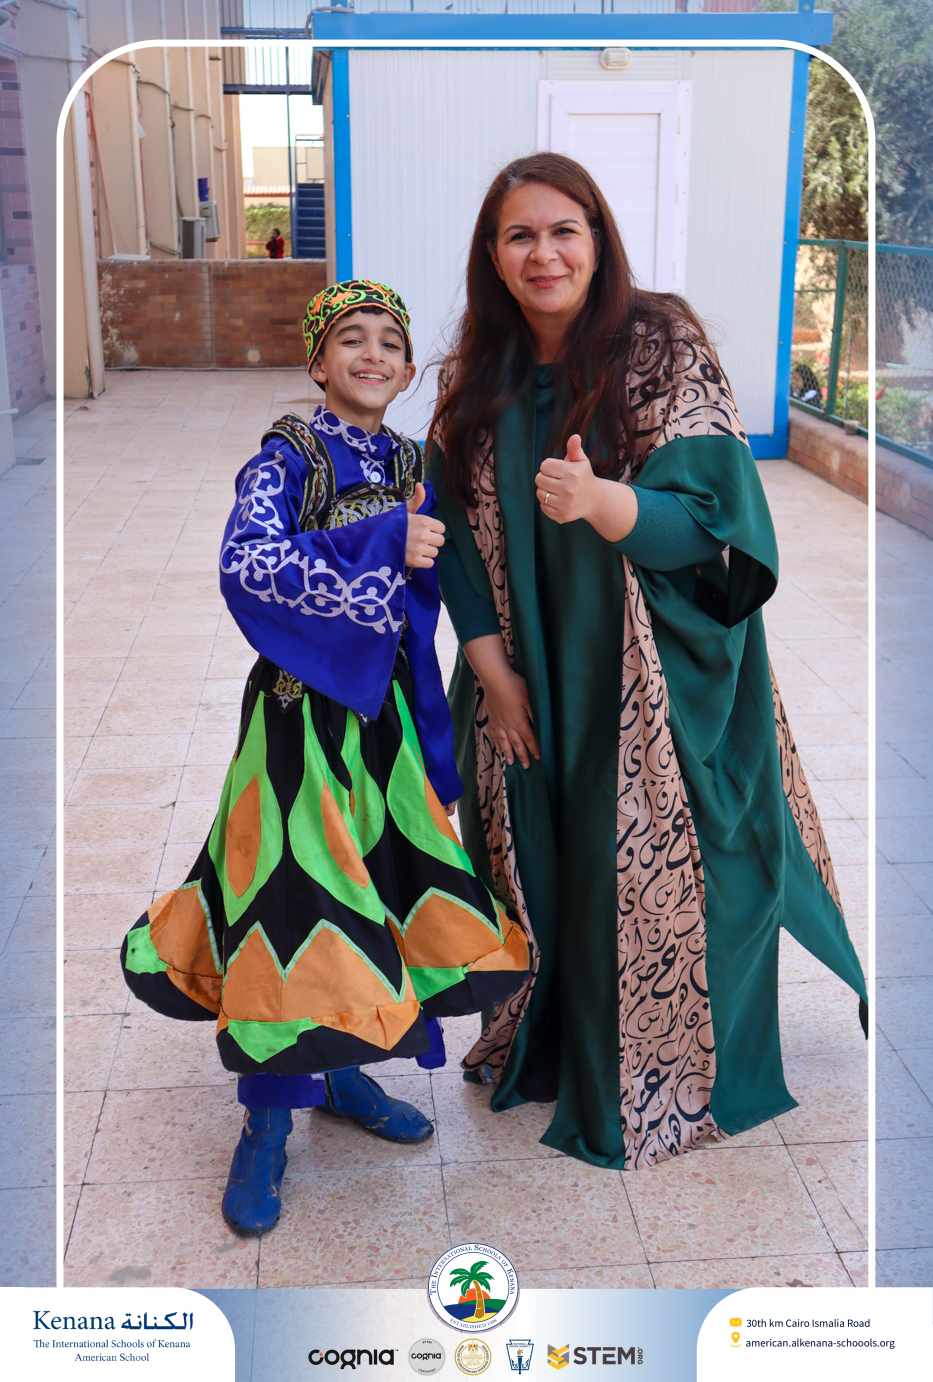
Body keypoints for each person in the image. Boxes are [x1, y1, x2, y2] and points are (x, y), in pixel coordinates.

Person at [427, 153, 866, 1172]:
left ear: (598, 239)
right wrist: (493, 677)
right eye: (520, 235)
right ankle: (553, 1042)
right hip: (524, 669)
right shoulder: (476, 371)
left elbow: (714, 524)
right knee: (540, 858)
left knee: (662, 862)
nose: (543, 253)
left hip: (648, 667)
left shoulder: (659, 344)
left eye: (563, 230)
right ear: (492, 254)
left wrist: (602, 502)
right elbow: (452, 539)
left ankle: (661, 1067)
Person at [121, 279, 530, 1232]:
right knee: (294, 907)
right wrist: (383, 537)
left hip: (381, 725)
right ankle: (266, 1126)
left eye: (390, 340)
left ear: (408, 369)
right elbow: (247, 565)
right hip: (299, 730)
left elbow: (422, 598)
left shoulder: (405, 458)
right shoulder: (287, 456)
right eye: (351, 338)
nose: (373, 354)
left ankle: (343, 1074)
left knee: (374, 893)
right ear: (317, 363)